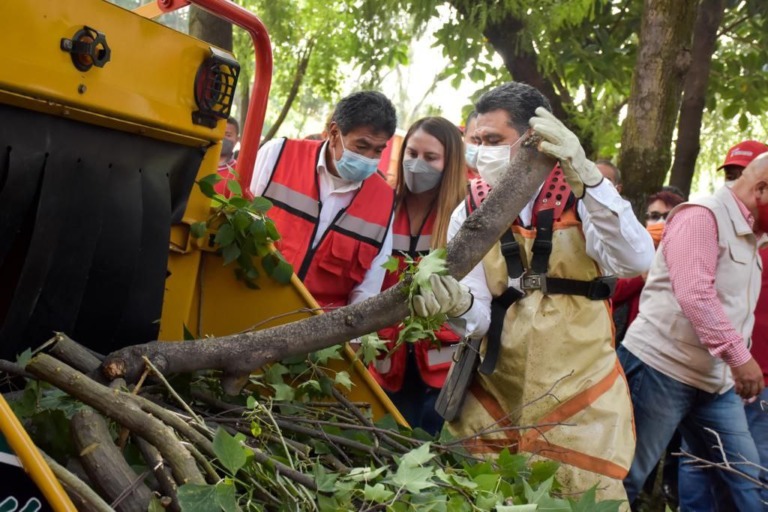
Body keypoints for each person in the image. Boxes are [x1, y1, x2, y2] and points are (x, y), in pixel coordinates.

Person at [411, 81, 655, 503]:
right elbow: (477, 316)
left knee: (581, 496)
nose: (481, 150)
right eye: (475, 140)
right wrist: (456, 305)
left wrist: (591, 180)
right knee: (479, 493)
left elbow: (635, 259)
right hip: (494, 389)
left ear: (532, 139)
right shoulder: (470, 209)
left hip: (580, 391)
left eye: (494, 140)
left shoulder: (584, 198)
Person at [617, 153, 768, 511]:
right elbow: (694, 295)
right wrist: (740, 357)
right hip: (660, 369)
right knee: (624, 478)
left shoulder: (751, 234)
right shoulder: (702, 215)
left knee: (746, 481)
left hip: (716, 383)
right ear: (761, 190)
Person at [249, 91, 397, 307]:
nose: (368, 158)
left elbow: (367, 290)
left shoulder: (384, 200)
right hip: (249, 300)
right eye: (361, 147)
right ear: (334, 133)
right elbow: (239, 223)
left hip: (319, 330)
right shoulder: (278, 155)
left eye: (377, 151)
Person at [367, 117, 467, 435]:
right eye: (411, 153)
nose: (416, 164)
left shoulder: (463, 214)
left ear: (449, 163)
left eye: (430, 158)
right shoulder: (384, 206)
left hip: (443, 374)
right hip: (387, 364)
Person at [613, 190, 685, 343]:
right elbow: (613, 292)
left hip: (663, 342)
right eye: (654, 216)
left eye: (667, 217)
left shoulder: (687, 256)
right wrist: (642, 274)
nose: (660, 222)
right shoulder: (631, 248)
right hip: (625, 336)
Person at [214, 116, 240, 196]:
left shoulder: (239, 171)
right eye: (220, 133)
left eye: (228, 135)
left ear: (237, 139)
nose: (222, 138)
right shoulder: (199, 163)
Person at [463, 111, 480, 179]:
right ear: (465, 134)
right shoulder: (449, 173)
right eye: (475, 141)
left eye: (491, 141)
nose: (480, 148)